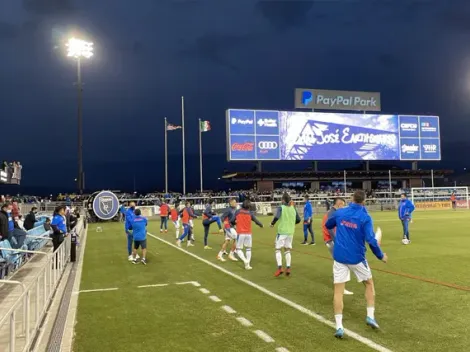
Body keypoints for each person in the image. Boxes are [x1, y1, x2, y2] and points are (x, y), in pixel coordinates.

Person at [325, 190, 387, 339]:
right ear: (364, 201)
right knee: (369, 284)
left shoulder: (341, 212)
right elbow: (371, 241)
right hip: (356, 258)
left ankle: (339, 326)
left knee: (338, 291)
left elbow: (328, 224)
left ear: (352, 198)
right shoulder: (365, 217)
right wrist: (381, 255)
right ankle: (370, 316)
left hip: (339, 257)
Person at [322, 197, 353, 295]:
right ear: (339, 204)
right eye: (343, 205)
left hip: (330, 240)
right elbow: (330, 229)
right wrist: (337, 241)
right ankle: (340, 287)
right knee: (341, 263)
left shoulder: (331, 212)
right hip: (332, 241)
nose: (343, 207)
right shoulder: (332, 213)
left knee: (339, 263)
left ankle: (339, 286)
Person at [271, 193, 301, 277]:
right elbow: (298, 220)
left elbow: (277, 217)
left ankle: (280, 268)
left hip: (282, 232)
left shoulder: (281, 207)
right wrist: (291, 223)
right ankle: (288, 267)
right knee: (287, 249)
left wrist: (272, 223)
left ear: (283, 200)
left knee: (277, 249)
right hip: (290, 232)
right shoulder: (293, 208)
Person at [232, 200, 263, 270]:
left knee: (238, 249)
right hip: (248, 233)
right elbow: (256, 220)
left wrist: (235, 222)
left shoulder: (238, 211)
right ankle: (248, 265)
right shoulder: (250, 213)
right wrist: (261, 225)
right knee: (248, 249)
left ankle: (245, 261)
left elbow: (232, 220)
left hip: (240, 233)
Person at [217, 198, 239, 262]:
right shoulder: (228, 210)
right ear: (231, 203)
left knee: (227, 241)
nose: (236, 203)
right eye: (234, 202)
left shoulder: (235, 209)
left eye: (236, 202)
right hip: (228, 227)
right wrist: (225, 224)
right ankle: (231, 254)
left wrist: (235, 223)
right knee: (237, 238)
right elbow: (222, 217)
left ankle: (219, 255)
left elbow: (233, 219)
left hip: (231, 227)